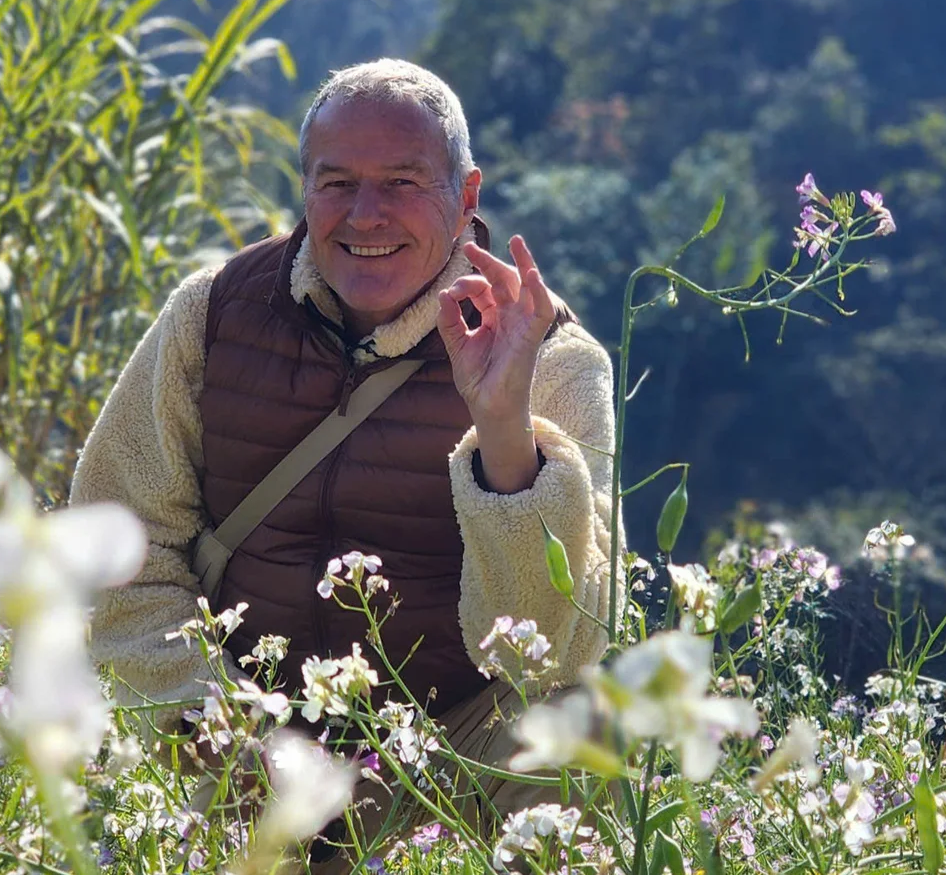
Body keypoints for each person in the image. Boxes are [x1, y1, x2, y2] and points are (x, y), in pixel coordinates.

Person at [70, 58, 622, 845]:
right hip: (231, 743)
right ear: (304, 189)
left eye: (403, 182)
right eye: (337, 184)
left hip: (452, 752)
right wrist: (225, 728)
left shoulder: (556, 361)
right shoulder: (213, 313)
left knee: (585, 735)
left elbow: (559, 645)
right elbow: (114, 552)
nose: (366, 216)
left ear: (466, 197)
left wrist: (504, 428)